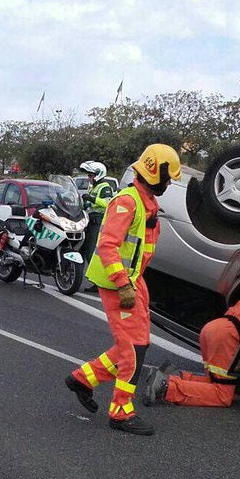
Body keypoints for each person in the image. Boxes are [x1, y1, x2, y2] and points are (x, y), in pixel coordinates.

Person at [64, 144, 181, 436]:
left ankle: (82, 379)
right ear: (154, 173)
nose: (168, 184)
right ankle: (120, 411)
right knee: (132, 351)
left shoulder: (146, 203)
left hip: (132, 282)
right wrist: (123, 284)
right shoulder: (127, 202)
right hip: (120, 285)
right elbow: (107, 245)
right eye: (167, 179)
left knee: (137, 345)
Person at [140, 274, 240, 409]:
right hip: (225, 336)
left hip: (213, 329)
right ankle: (166, 386)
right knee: (223, 395)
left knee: (219, 385)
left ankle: (174, 375)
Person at [78, 160, 118, 276]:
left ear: (98, 174)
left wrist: (91, 199)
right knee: (83, 250)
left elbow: (107, 203)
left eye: (90, 175)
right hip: (89, 221)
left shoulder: (105, 187)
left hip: (97, 222)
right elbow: (90, 205)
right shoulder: (95, 187)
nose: (88, 178)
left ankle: (96, 280)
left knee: (91, 252)